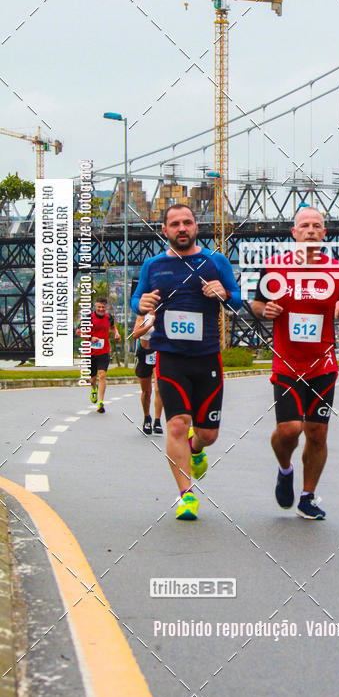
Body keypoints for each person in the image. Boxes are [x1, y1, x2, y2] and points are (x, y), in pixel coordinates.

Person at [251, 207, 339, 520]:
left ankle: (307, 496)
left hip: (322, 366)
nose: (311, 230)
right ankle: (285, 469)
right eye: (305, 226)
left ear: (324, 233)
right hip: (287, 365)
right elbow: (257, 304)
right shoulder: (275, 267)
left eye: (317, 226)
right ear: (294, 233)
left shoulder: (338, 271)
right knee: (289, 430)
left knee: (317, 434)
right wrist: (265, 310)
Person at [130, 204, 241, 521]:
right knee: (177, 423)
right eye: (175, 223)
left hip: (207, 358)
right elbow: (137, 299)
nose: (182, 228)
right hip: (170, 357)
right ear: (165, 230)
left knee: (208, 434)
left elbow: (237, 300)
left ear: (196, 227)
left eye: (187, 222)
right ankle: (186, 496)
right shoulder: (153, 265)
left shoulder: (216, 261)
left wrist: (224, 293)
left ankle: (196, 448)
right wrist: (142, 303)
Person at [76, 297, 120, 414]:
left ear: (106, 307)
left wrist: (116, 333)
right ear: (95, 307)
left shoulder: (108, 317)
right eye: (99, 307)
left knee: (102, 375)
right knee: (92, 379)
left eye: (103, 307)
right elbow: (78, 332)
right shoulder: (89, 318)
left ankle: (100, 402)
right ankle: (93, 388)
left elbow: (112, 327)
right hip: (91, 352)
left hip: (104, 351)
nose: (101, 309)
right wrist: (90, 338)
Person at [131, 313, 163, 435]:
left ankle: (157, 421)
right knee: (146, 392)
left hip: (159, 353)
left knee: (159, 389)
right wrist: (150, 325)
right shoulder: (143, 316)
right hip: (145, 353)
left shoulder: (163, 311)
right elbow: (135, 334)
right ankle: (147, 417)